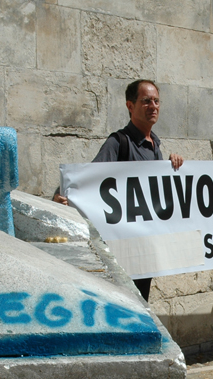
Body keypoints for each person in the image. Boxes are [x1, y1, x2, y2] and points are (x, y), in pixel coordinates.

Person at [54, 79, 184, 301]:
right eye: (146, 101)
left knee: (141, 303)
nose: (153, 106)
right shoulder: (118, 143)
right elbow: (88, 176)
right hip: (123, 251)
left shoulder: (156, 147)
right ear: (130, 106)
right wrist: (63, 196)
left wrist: (173, 165)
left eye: (156, 101)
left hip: (145, 249)